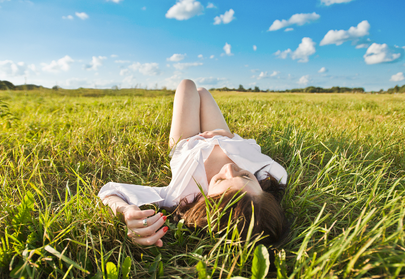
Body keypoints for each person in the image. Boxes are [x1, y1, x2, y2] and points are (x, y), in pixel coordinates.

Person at [99, 79, 290, 248]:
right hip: (223, 136)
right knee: (203, 92)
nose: (230, 169)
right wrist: (230, 136)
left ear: (204, 201)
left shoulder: (180, 196)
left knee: (187, 85)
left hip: (188, 142)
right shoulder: (273, 175)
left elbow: (110, 191)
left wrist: (125, 211)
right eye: (245, 175)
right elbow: (252, 149)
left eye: (221, 180)